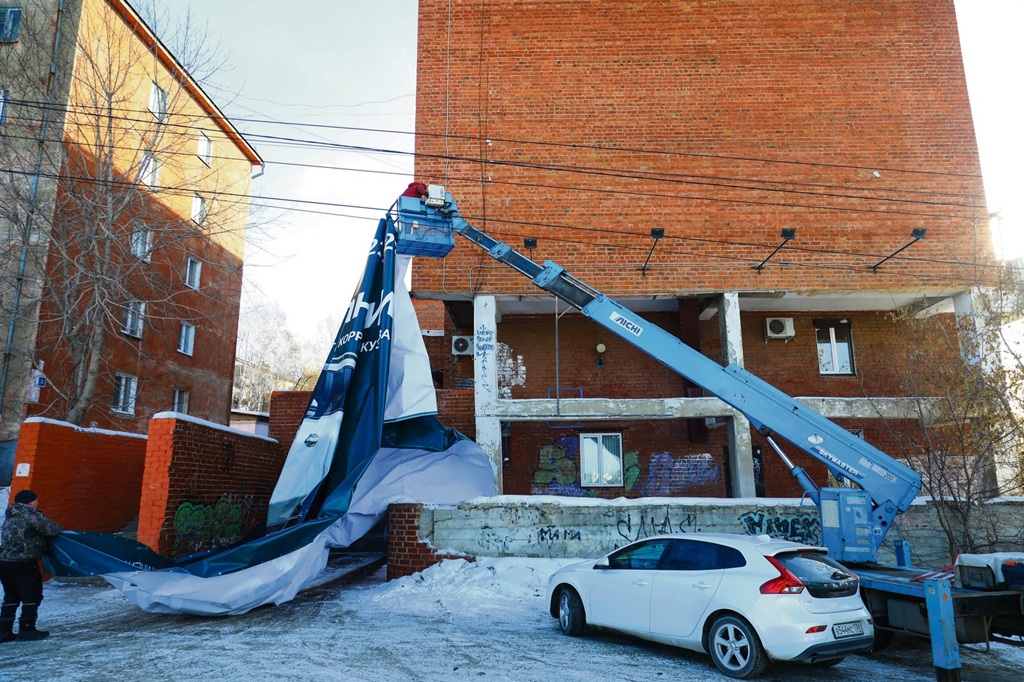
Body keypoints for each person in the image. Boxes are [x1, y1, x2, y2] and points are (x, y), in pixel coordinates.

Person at [0, 490, 62, 642]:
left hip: (5, 562)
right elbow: (54, 529)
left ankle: (3, 632)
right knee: (32, 595)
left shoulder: (10, 515)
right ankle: (27, 629)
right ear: (30, 502)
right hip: (24, 563)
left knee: (11, 597)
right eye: (35, 500)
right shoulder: (31, 515)